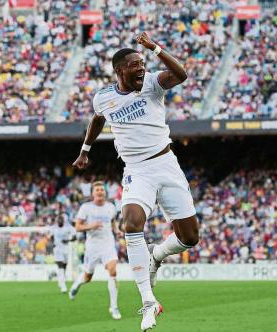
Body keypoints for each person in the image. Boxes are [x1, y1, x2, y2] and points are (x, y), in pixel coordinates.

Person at [73, 31, 200, 331]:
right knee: (130, 222)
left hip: (166, 163)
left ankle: (156, 255)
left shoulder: (153, 85)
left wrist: (155, 47)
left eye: (143, 63)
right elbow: (98, 119)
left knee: (189, 238)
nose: (141, 67)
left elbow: (181, 74)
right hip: (136, 169)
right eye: (134, 64)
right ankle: (148, 302)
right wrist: (85, 151)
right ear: (120, 70)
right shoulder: (103, 97)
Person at [69, 181, 122, 320]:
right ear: (92, 193)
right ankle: (77, 284)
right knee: (88, 277)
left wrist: (117, 231)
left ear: (105, 192)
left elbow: (113, 222)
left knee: (113, 271)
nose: (100, 192)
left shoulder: (111, 207)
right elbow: (78, 227)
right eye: (97, 190)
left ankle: (114, 307)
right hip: (92, 246)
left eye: (102, 190)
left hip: (108, 244)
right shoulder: (86, 208)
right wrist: (91, 226)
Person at [50, 213, 76, 293]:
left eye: (61, 220)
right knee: (60, 266)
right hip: (57, 249)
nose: (60, 221)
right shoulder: (53, 227)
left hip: (65, 249)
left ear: (63, 221)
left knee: (64, 266)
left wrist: (68, 240)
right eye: (58, 220)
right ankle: (63, 286)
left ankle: (60, 280)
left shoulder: (68, 227)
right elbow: (51, 236)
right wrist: (53, 243)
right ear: (57, 221)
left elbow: (75, 237)